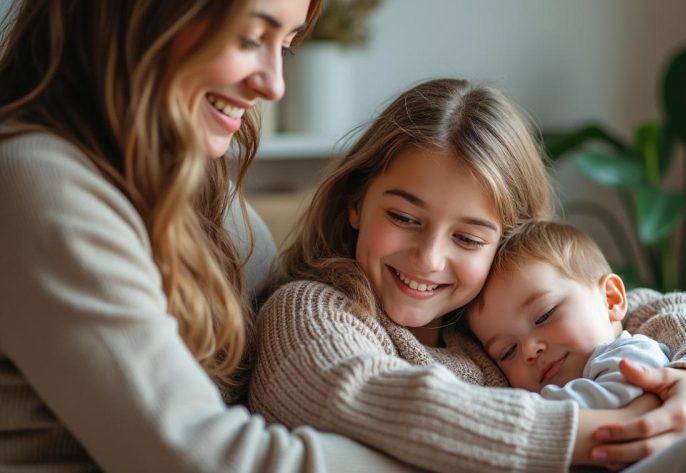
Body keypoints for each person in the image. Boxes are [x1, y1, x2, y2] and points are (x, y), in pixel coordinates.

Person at [249, 78, 686, 473]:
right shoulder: (312, 308)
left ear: (502, 243)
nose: (428, 258)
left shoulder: (482, 315)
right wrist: (617, 429)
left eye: (469, 238)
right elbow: (381, 399)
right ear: (356, 203)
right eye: (403, 217)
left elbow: (650, 305)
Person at [0, 1, 415, 471]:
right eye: (250, 37)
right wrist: (472, 452)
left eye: (286, 48)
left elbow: (301, 340)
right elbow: (204, 458)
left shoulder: (199, 186)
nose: (274, 85)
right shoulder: (38, 182)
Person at [467, 220, 671, 409]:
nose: (529, 349)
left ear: (611, 299)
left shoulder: (636, 355)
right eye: (508, 351)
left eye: (544, 315)